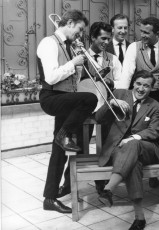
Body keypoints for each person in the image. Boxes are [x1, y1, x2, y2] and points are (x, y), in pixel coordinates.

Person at [36, 10, 97, 214]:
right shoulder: (49, 43)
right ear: (69, 23)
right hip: (51, 97)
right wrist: (73, 63)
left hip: (65, 99)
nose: (79, 35)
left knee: (58, 151)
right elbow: (52, 77)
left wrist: (81, 62)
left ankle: (50, 198)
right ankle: (64, 135)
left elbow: (72, 79)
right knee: (91, 99)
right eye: (79, 30)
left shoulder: (69, 46)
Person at [95, 70, 159, 230]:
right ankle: (140, 218)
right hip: (118, 150)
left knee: (133, 144)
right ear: (133, 83)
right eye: (139, 84)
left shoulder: (155, 106)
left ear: (151, 88)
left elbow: (154, 131)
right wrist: (111, 103)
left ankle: (109, 188)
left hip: (147, 148)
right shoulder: (117, 94)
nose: (141, 89)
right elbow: (98, 118)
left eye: (146, 86)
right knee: (134, 165)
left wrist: (132, 138)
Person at [119, 16, 159, 104]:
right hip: (141, 95)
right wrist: (121, 98)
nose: (142, 35)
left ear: (157, 33)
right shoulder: (133, 47)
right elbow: (126, 74)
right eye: (141, 31)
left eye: (146, 32)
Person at [78, 21, 122, 111]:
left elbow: (122, 83)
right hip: (84, 103)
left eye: (108, 39)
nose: (106, 42)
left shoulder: (114, 59)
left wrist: (110, 82)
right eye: (103, 38)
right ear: (93, 37)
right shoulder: (80, 57)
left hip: (106, 105)